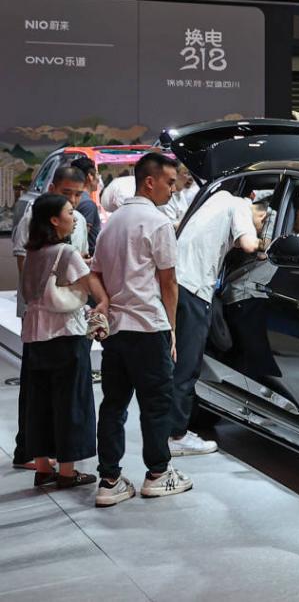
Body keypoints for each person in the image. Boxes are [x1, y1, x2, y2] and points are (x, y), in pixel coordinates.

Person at [91, 151, 193, 506]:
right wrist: (173, 329)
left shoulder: (112, 223)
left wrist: (105, 303)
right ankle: (158, 474)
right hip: (149, 326)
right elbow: (169, 282)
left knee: (113, 405)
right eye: (169, 182)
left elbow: (94, 273)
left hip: (116, 330)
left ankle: (109, 480)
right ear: (150, 182)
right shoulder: (158, 223)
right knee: (157, 404)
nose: (173, 189)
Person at [20, 194, 110, 490]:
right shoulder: (66, 252)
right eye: (70, 213)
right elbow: (89, 283)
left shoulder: (34, 252)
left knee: (39, 403)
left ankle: (43, 467)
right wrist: (104, 303)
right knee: (71, 401)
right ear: (54, 220)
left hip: (35, 335)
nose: (74, 218)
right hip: (65, 334)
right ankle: (68, 472)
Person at [169, 189, 261, 456]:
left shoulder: (214, 199)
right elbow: (249, 244)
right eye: (262, 221)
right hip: (195, 288)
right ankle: (176, 436)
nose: (259, 224)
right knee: (187, 366)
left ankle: (170, 430)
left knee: (176, 362)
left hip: (176, 284)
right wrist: (265, 242)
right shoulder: (240, 206)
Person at [10, 164, 90, 472]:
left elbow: (79, 262)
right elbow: (27, 265)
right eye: (67, 193)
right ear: (53, 188)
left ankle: (50, 457)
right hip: (42, 317)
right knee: (42, 391)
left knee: (52, 392)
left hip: (65, 315)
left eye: (78, 194)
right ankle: (32, 453)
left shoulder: (77, 220)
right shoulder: (35, 215)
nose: (73, 200)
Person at [69, 156, 101, 255]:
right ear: (90, 176)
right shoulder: (88, 204)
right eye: (97, 174)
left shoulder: (72, 200)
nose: (99, 179)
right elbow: (80, 238)